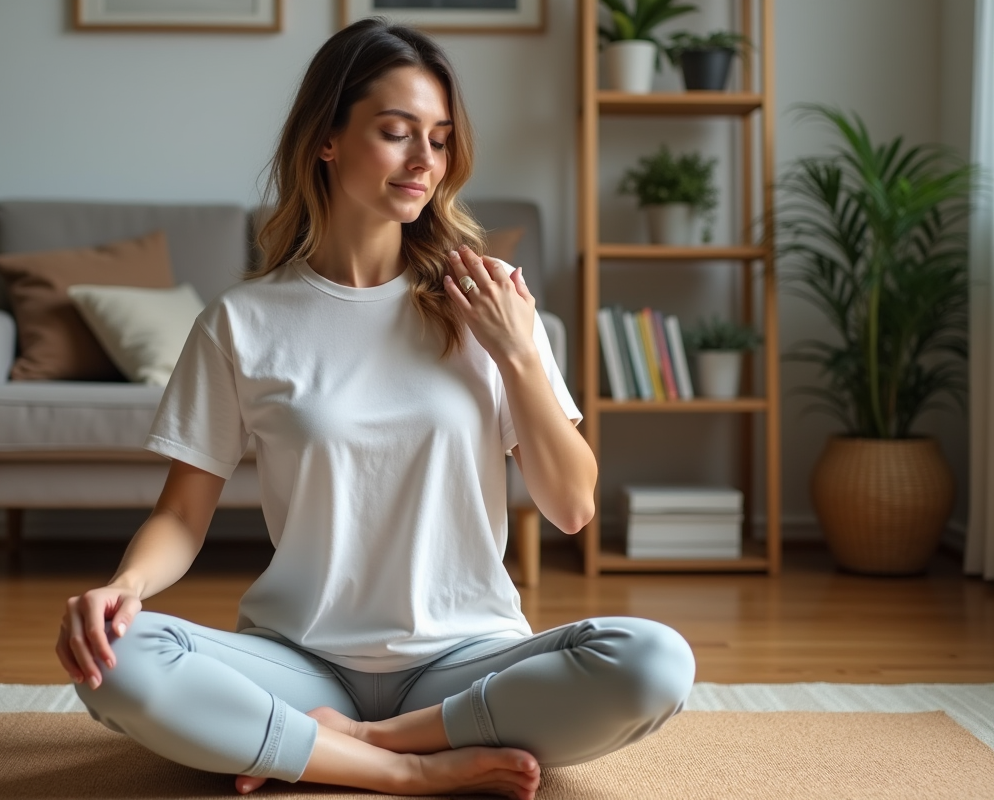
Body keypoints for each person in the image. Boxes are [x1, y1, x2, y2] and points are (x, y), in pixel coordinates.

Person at [57, 17, 695, 800]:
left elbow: (571, 506)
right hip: (298, 661)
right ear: (327, 139)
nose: (426, 160)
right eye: (397, 133)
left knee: (654, 661)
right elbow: (184, 515)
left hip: (465, 661)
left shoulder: (488, 300)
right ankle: (405, 770)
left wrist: (518, 354)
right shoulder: (242, 321)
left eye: (440, 136)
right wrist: (124, 588)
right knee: (112, 659)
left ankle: (343, 745)